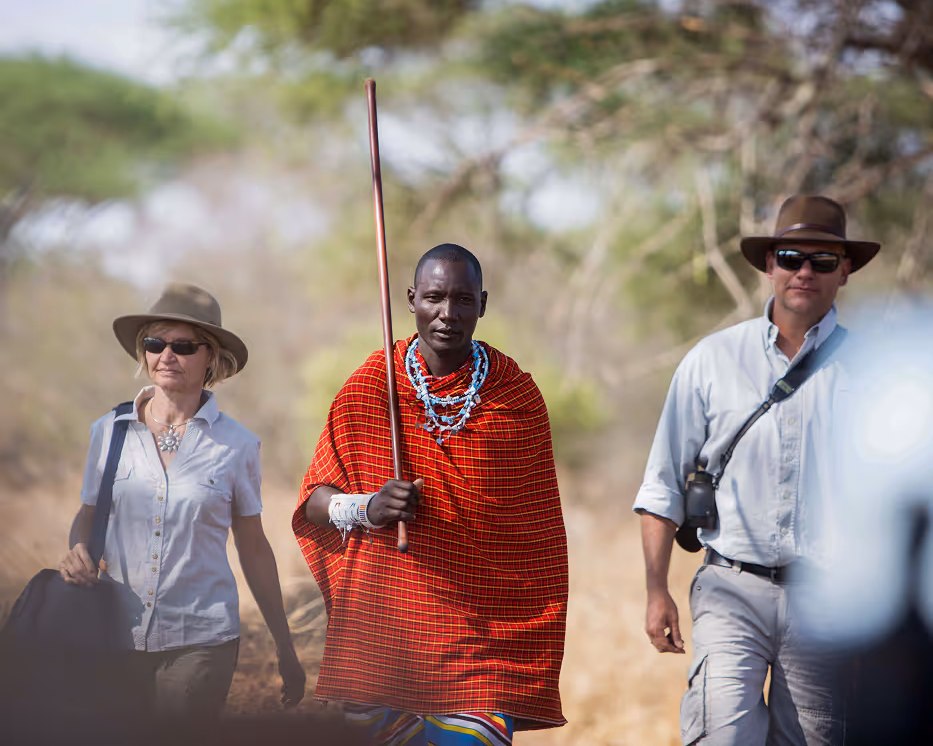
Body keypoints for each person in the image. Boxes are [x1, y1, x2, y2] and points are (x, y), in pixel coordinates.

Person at [292, 243, 568, 745]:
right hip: (382, 637)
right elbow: (313, 502)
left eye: (463, 300)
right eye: (435, 297)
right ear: (411, 299)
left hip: (480, 639)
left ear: (483, 305)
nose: (447, 314)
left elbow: (538, 534)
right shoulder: (372, 387)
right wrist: (368, 508)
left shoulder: (515, 397)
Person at [633, 195, 881, 745]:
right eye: (792, 256)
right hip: (730, 588)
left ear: (845, 271)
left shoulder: (872, 369)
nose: (804, 272)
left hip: (828, 601)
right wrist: (656, 591)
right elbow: (662, 484)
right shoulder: (712, 358)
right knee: (723, 736)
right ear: (770, 263)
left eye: (822, 261)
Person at [58, 283, 306, 722]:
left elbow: (252, 547)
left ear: (211, 356)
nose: (167, 355)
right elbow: (89, 515)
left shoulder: (237, 445)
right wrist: (77, 549)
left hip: (202, 637)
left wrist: (284, 646)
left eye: (184, 345)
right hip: (114, 635)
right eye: (156, 343)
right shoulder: (108, 431)